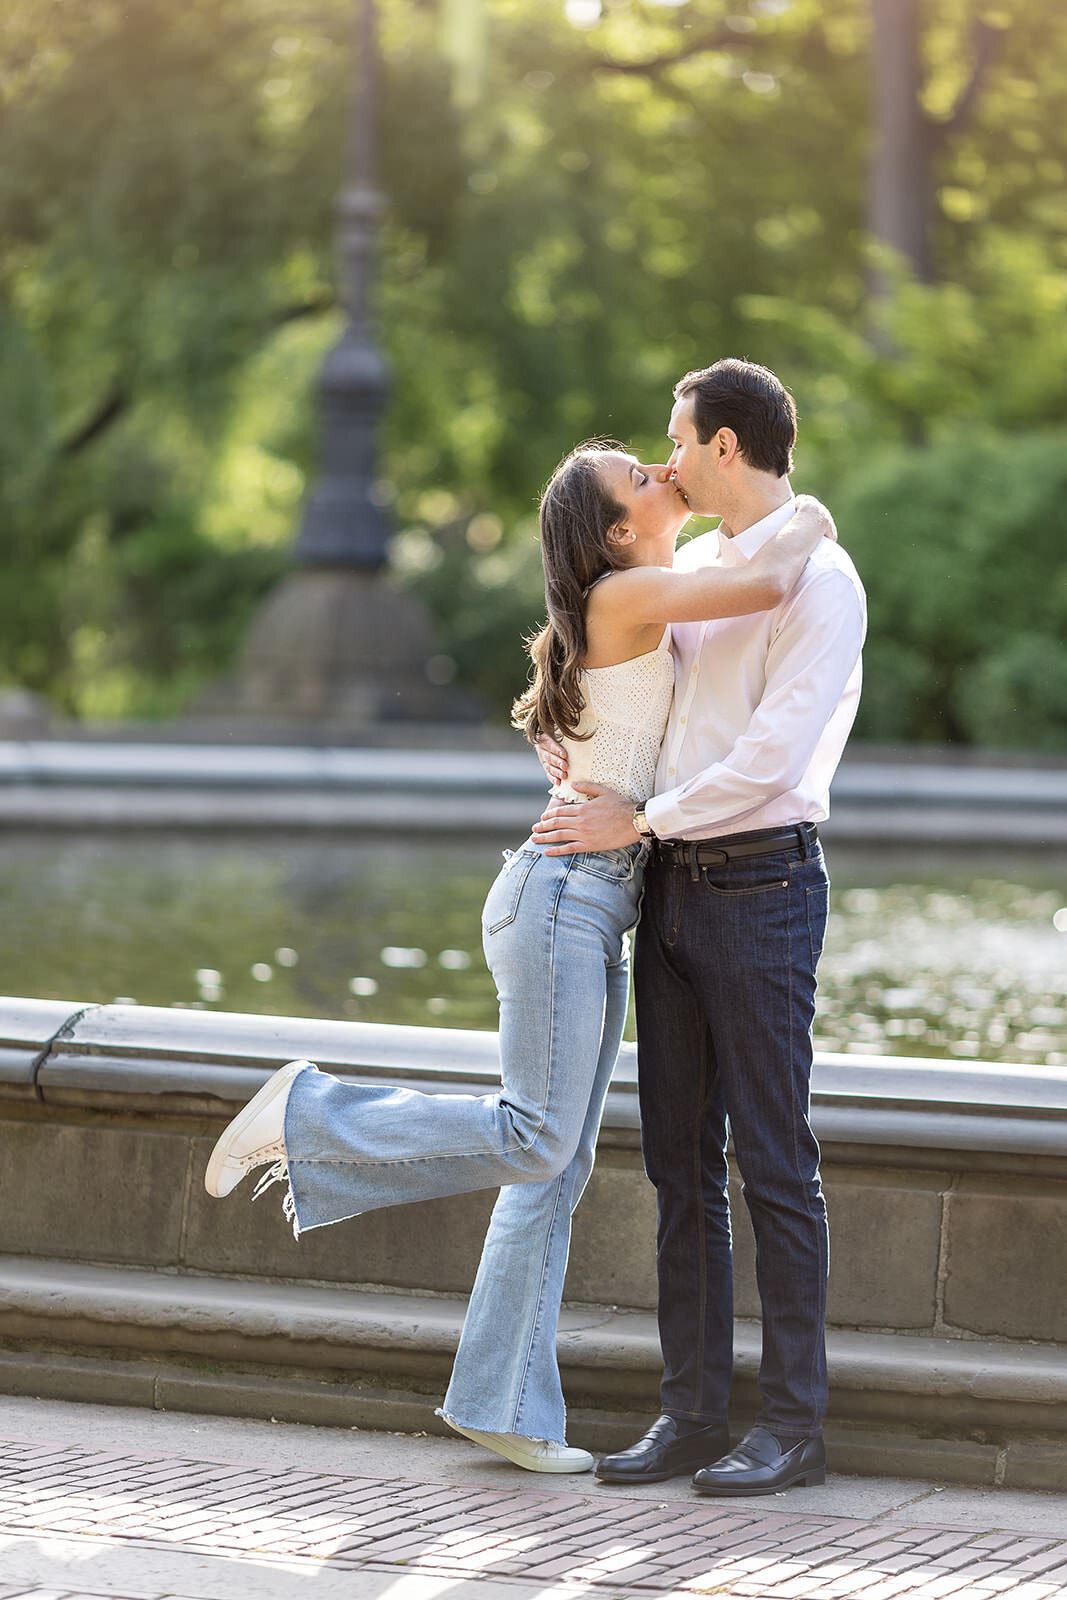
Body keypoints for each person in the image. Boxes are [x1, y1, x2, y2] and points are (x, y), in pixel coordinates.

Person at [204, 436, 834, 1476]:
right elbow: (768, 576)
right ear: (616, 532)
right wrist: (802, 510)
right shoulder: (630, 591)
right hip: (561, 901)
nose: (659, 474)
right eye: (638, 477)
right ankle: (307, 1113)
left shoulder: (635, 593)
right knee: (537, 1137)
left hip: (593, 901)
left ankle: (500, 1401)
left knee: (554, 1164)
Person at [534, 360, 867, 1498]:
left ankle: (792, 1427)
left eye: (676, 441)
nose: (665, 460)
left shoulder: (818, 580)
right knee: (676, 1164)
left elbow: (772, 758)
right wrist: (580, 766)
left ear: (725, 445)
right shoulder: (703, 567)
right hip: (668, 886)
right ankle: (687, 1413)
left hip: (765, 884)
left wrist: (647, 814)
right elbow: (627, 688)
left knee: (774, 1163)